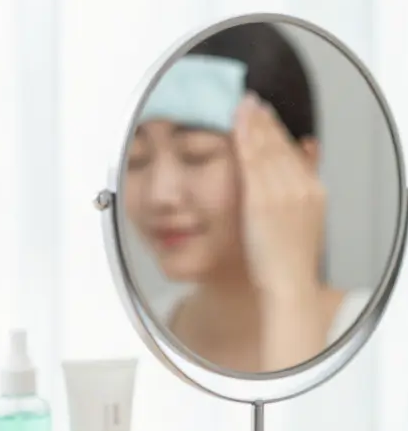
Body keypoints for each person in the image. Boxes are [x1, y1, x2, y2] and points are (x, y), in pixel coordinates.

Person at [122, 22, 372, 374]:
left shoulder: (381, 340)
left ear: (300, 163)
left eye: (197, 153)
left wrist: (289, 289)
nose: (160, 195)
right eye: (136, 158)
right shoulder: (135, 345)